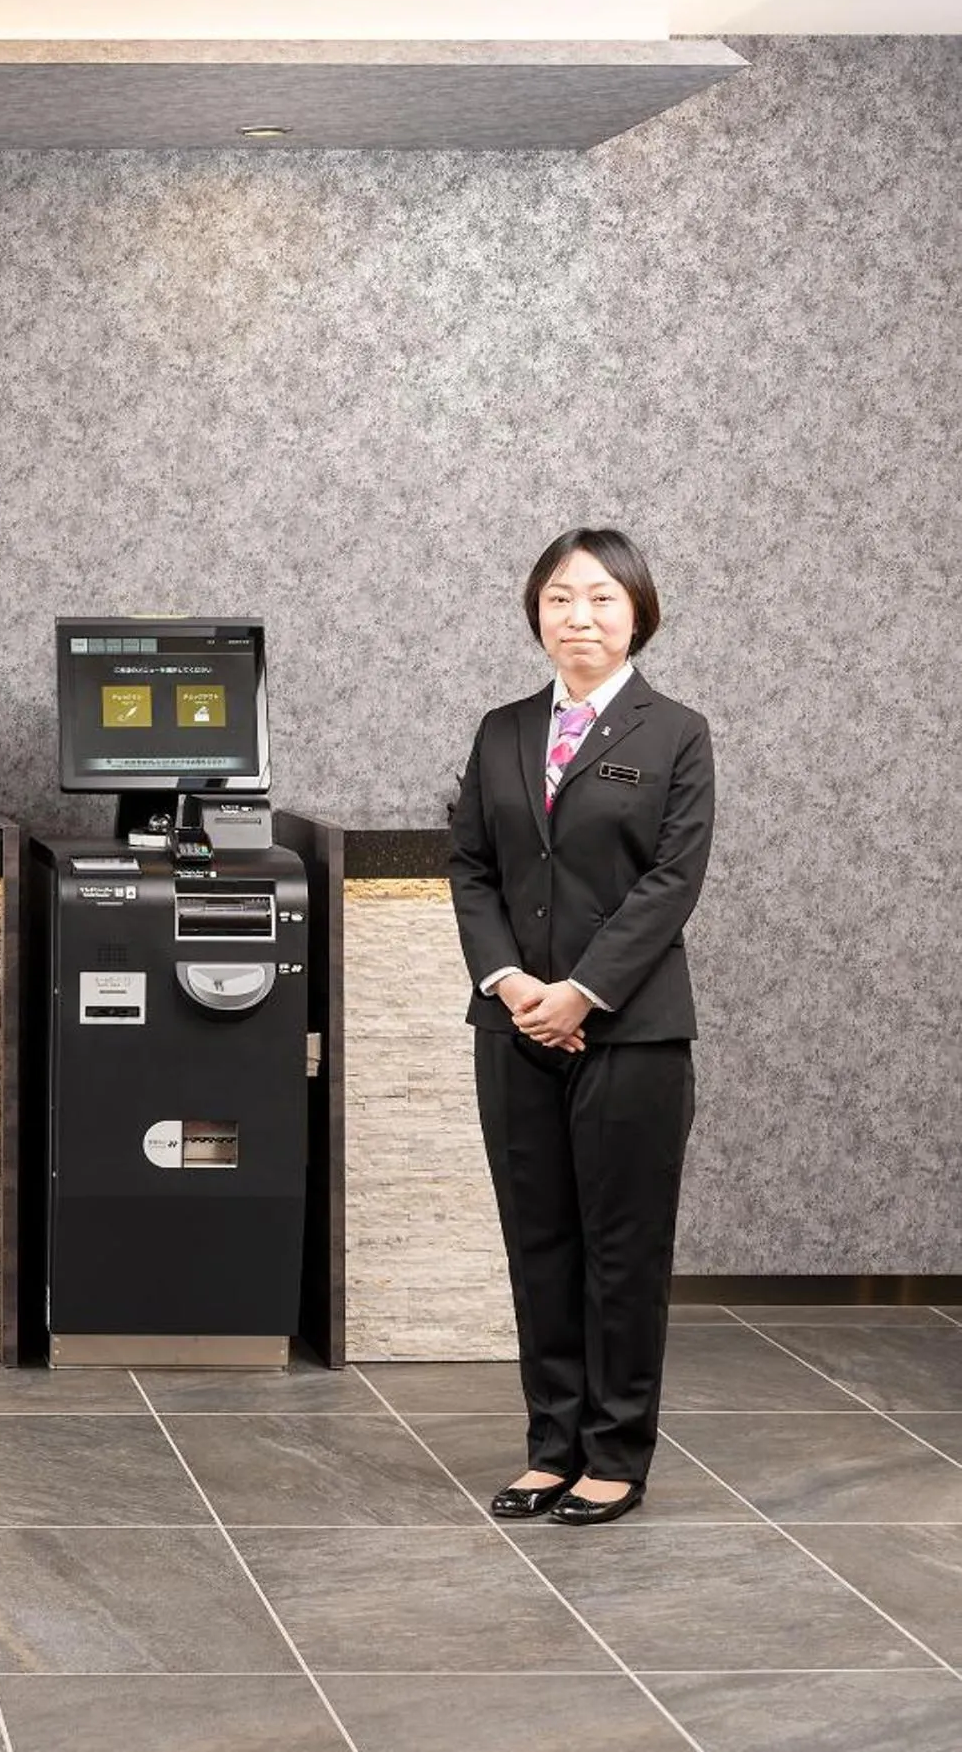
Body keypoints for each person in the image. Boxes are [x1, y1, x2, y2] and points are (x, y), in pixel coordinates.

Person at [448, 527, 713, 1528]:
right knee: (540, 1241)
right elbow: (471, 864)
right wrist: (513, 981)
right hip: (511, 1024)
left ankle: (615, 1451)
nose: (580, 617)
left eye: (600, 598)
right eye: (560, 598)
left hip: (630, 1032)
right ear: (536, 613)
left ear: (636, 610)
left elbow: (669, 881)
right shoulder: (503, 729)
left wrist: (581, 992)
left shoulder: (674, 731)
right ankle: (550, 1444)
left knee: (622, 1248)